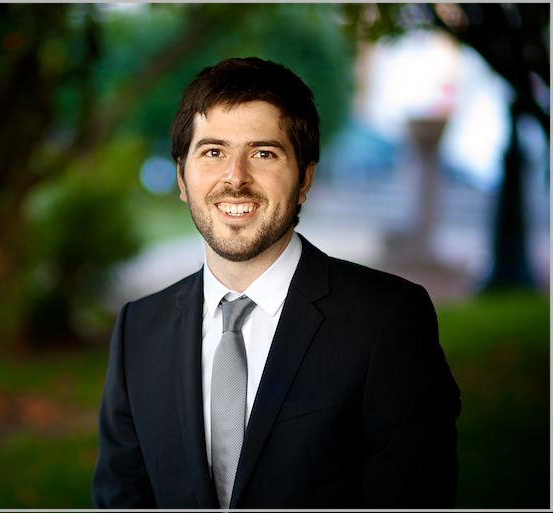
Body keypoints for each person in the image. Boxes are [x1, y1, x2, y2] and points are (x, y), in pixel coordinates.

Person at [92, 56, 461, 509]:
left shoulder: (387, 321)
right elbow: (121, 499)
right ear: (182, 178)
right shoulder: (137, 329)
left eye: (263, 153)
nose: (236, 178)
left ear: (305, 177)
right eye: (213, 152)